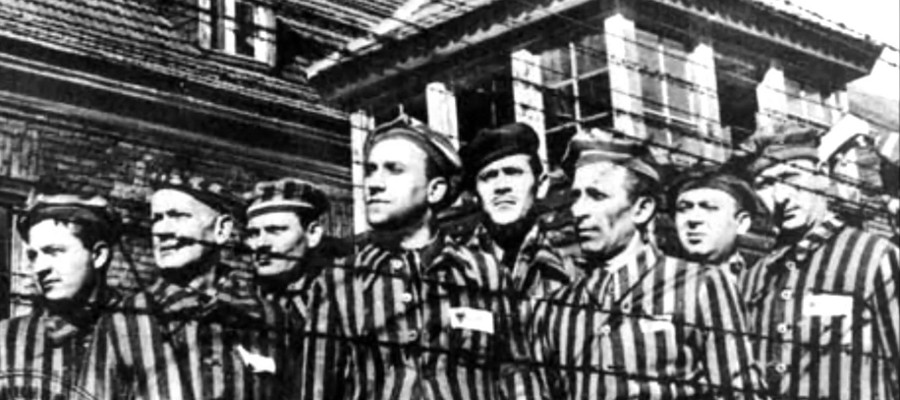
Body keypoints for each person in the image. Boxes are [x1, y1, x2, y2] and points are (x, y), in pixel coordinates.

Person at [301, 117, 543, 400]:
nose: (374, 184)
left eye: (394, 170)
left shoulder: (485, 273)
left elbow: (517, 373)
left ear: (435, 189)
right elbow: (317, 391)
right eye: (370, 171)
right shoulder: (338, 283)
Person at [531, 129, 764, 399]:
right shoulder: (554, 309)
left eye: (597, 196)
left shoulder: (700, 284)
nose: (578, 211)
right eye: (575, 197)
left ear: (642, 209)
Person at [728, 123, 900, 400]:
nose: (781, 196)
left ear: (821, 175)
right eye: (765, 185)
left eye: (789, 176)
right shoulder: (752, 278)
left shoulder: (875, 257)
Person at [88, 173, 285, 400]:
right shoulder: (123, 320)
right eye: (156, 219)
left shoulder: (271, 318)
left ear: (222, 230)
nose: (162, 231)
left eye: (177, 216)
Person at [0, 190, 120, 400]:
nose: (40, 267)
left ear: (99, 255)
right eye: (33, 255)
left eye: (54, 251)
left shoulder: (140, 334)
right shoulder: (8, 339)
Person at [460, 122, 579, 297]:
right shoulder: (456, 265)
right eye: (488, 177)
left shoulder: (573, 261)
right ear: (475, 194)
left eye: (513, 172)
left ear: (542, 184)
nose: (501, 187)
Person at [245, 177, 330, 317]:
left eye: (275, 231)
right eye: (253, 234)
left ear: (312, 234)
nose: (260, 243)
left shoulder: (337, 295)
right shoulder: (239, 298)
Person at [668, 168, 760, 280]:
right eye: (683, 209)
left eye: (709, 208)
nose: (693, 219)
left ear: (742, 223)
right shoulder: (656, 279)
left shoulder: (757, 284)